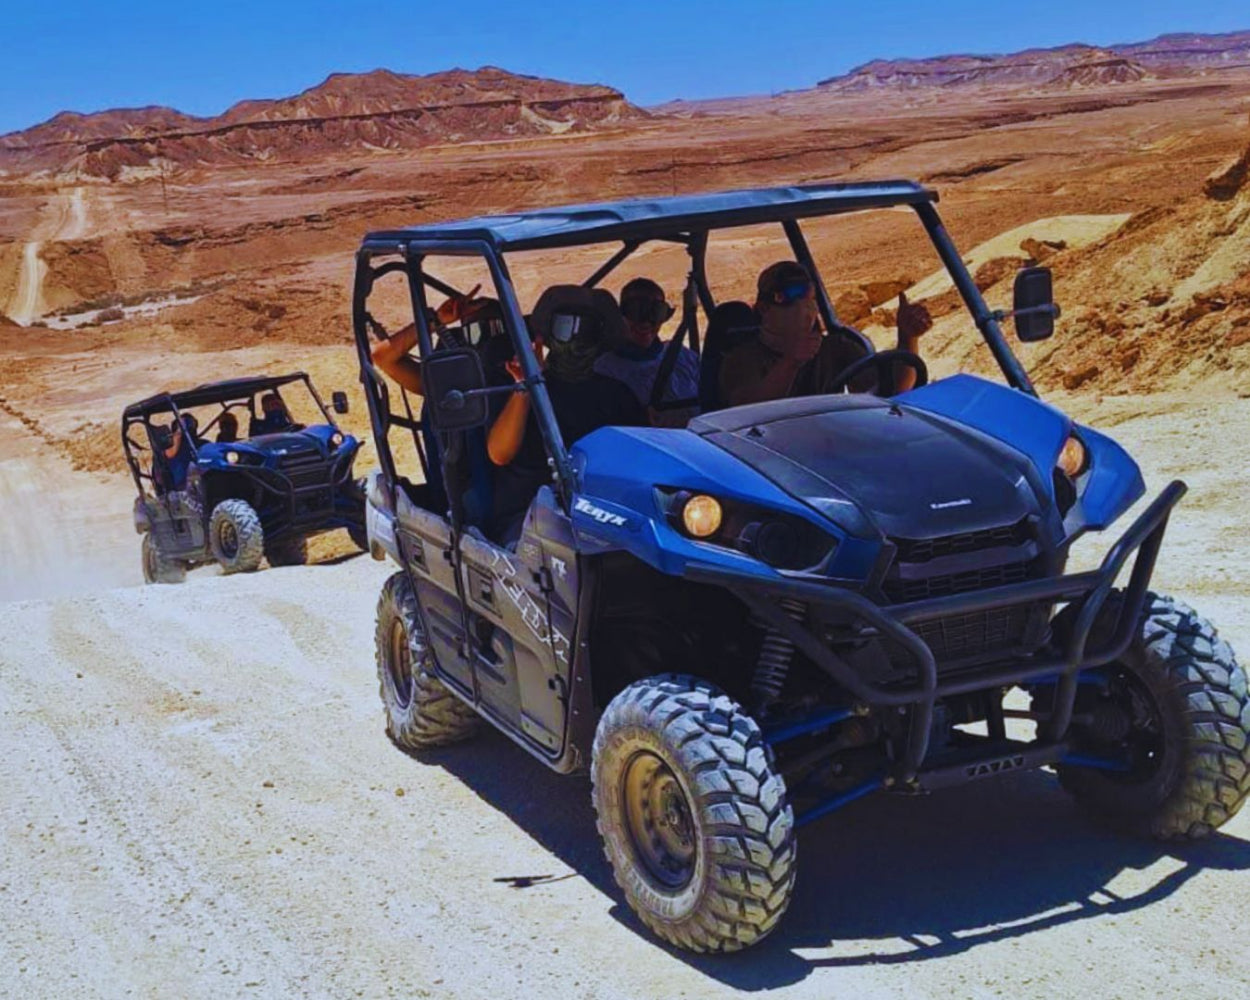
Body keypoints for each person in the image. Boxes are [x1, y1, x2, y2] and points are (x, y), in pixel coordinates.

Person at [487, 286, 646, 544]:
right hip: (530, 516)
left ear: (599, 340)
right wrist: (526, 386)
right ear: (548, 336)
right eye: (565, 328)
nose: (575, 341)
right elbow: (499, 454)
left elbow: (639, 462)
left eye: (587, 331)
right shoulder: (519, 391)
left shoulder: (617, 395)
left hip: (603, 511)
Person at [719, 260, 933, 408]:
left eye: (811, 300)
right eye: (793, 301)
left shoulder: (835, 347)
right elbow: (748, 413)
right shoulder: (742, 358)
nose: (806, 310)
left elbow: (892, 389)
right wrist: (791, 362)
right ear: (765, 309)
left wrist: (907, 337)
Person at [594, 277, 700, 424]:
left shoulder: (682, 356)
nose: (645, 323)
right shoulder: (604, 371)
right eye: (636, 311)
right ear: (621, 315)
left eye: (655, 313)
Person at [369, 286, 501, 395]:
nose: (488, 344)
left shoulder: (519, 380)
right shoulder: (451, 383)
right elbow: (383, 357)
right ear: (463, 339)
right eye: (475, 331)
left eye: (497, 330)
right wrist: (435, 320)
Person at [162, 413, 198, 491]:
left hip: (204, 482)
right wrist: (179, 432)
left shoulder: (201, 443)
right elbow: (170, 454)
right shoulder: (171, 449)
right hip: (182, 488)